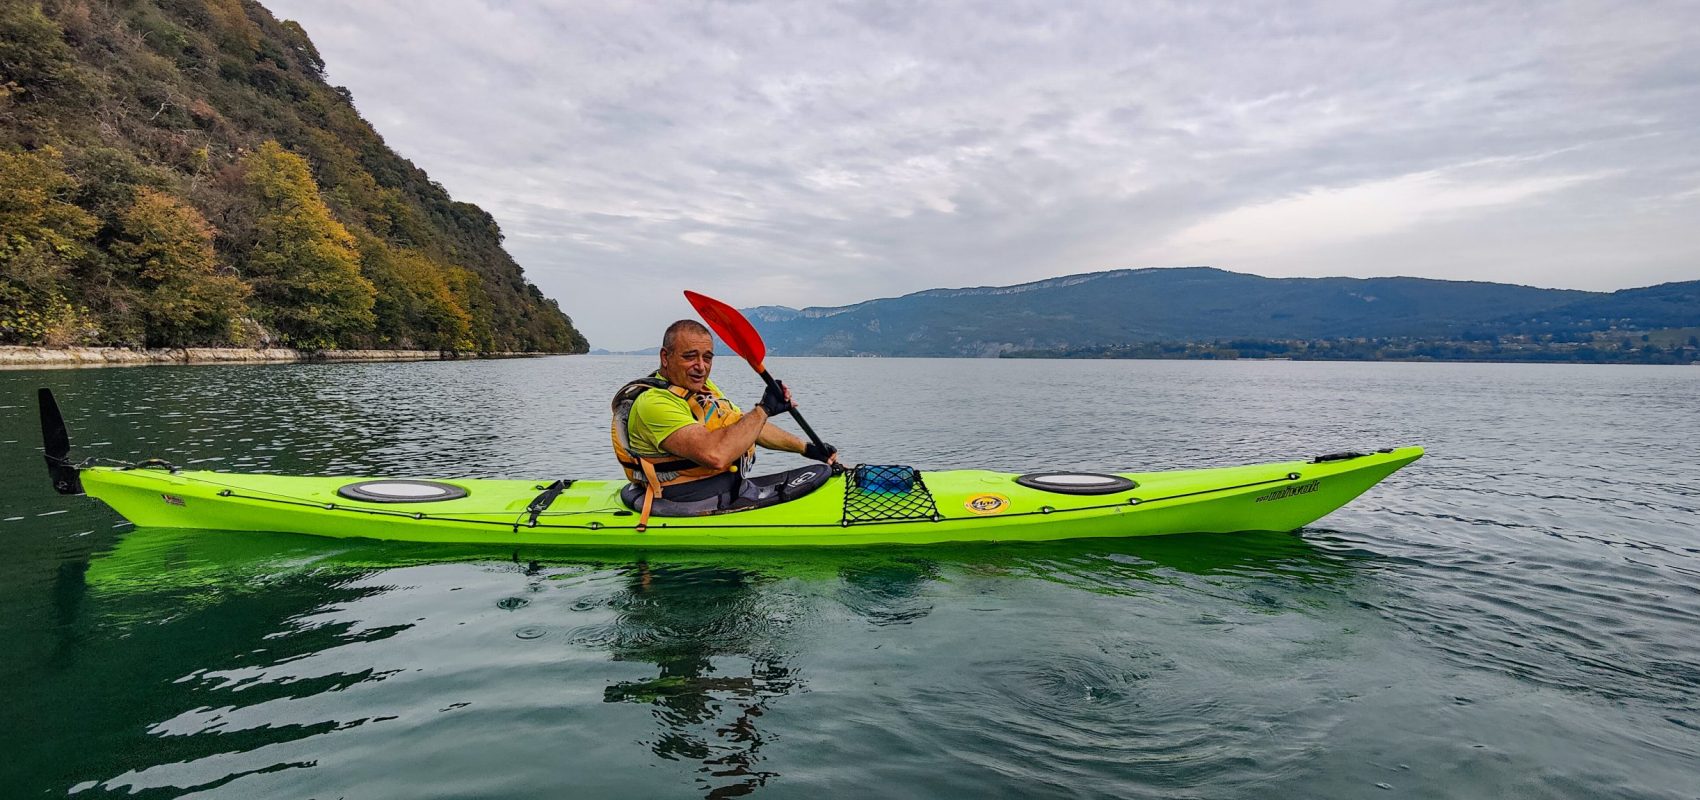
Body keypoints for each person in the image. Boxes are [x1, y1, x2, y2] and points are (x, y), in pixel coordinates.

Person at [611, 319, 840, 527]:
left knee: (820, 469)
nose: (701, 366)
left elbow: (742, 427)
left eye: (707, 357)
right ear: (665, 357)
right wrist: (765, 408)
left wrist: (807, 449)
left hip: (724, 488)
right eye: (690, 356)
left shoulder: (702, 388)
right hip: (685, 499)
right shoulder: (654, 403)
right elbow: (715, 454)